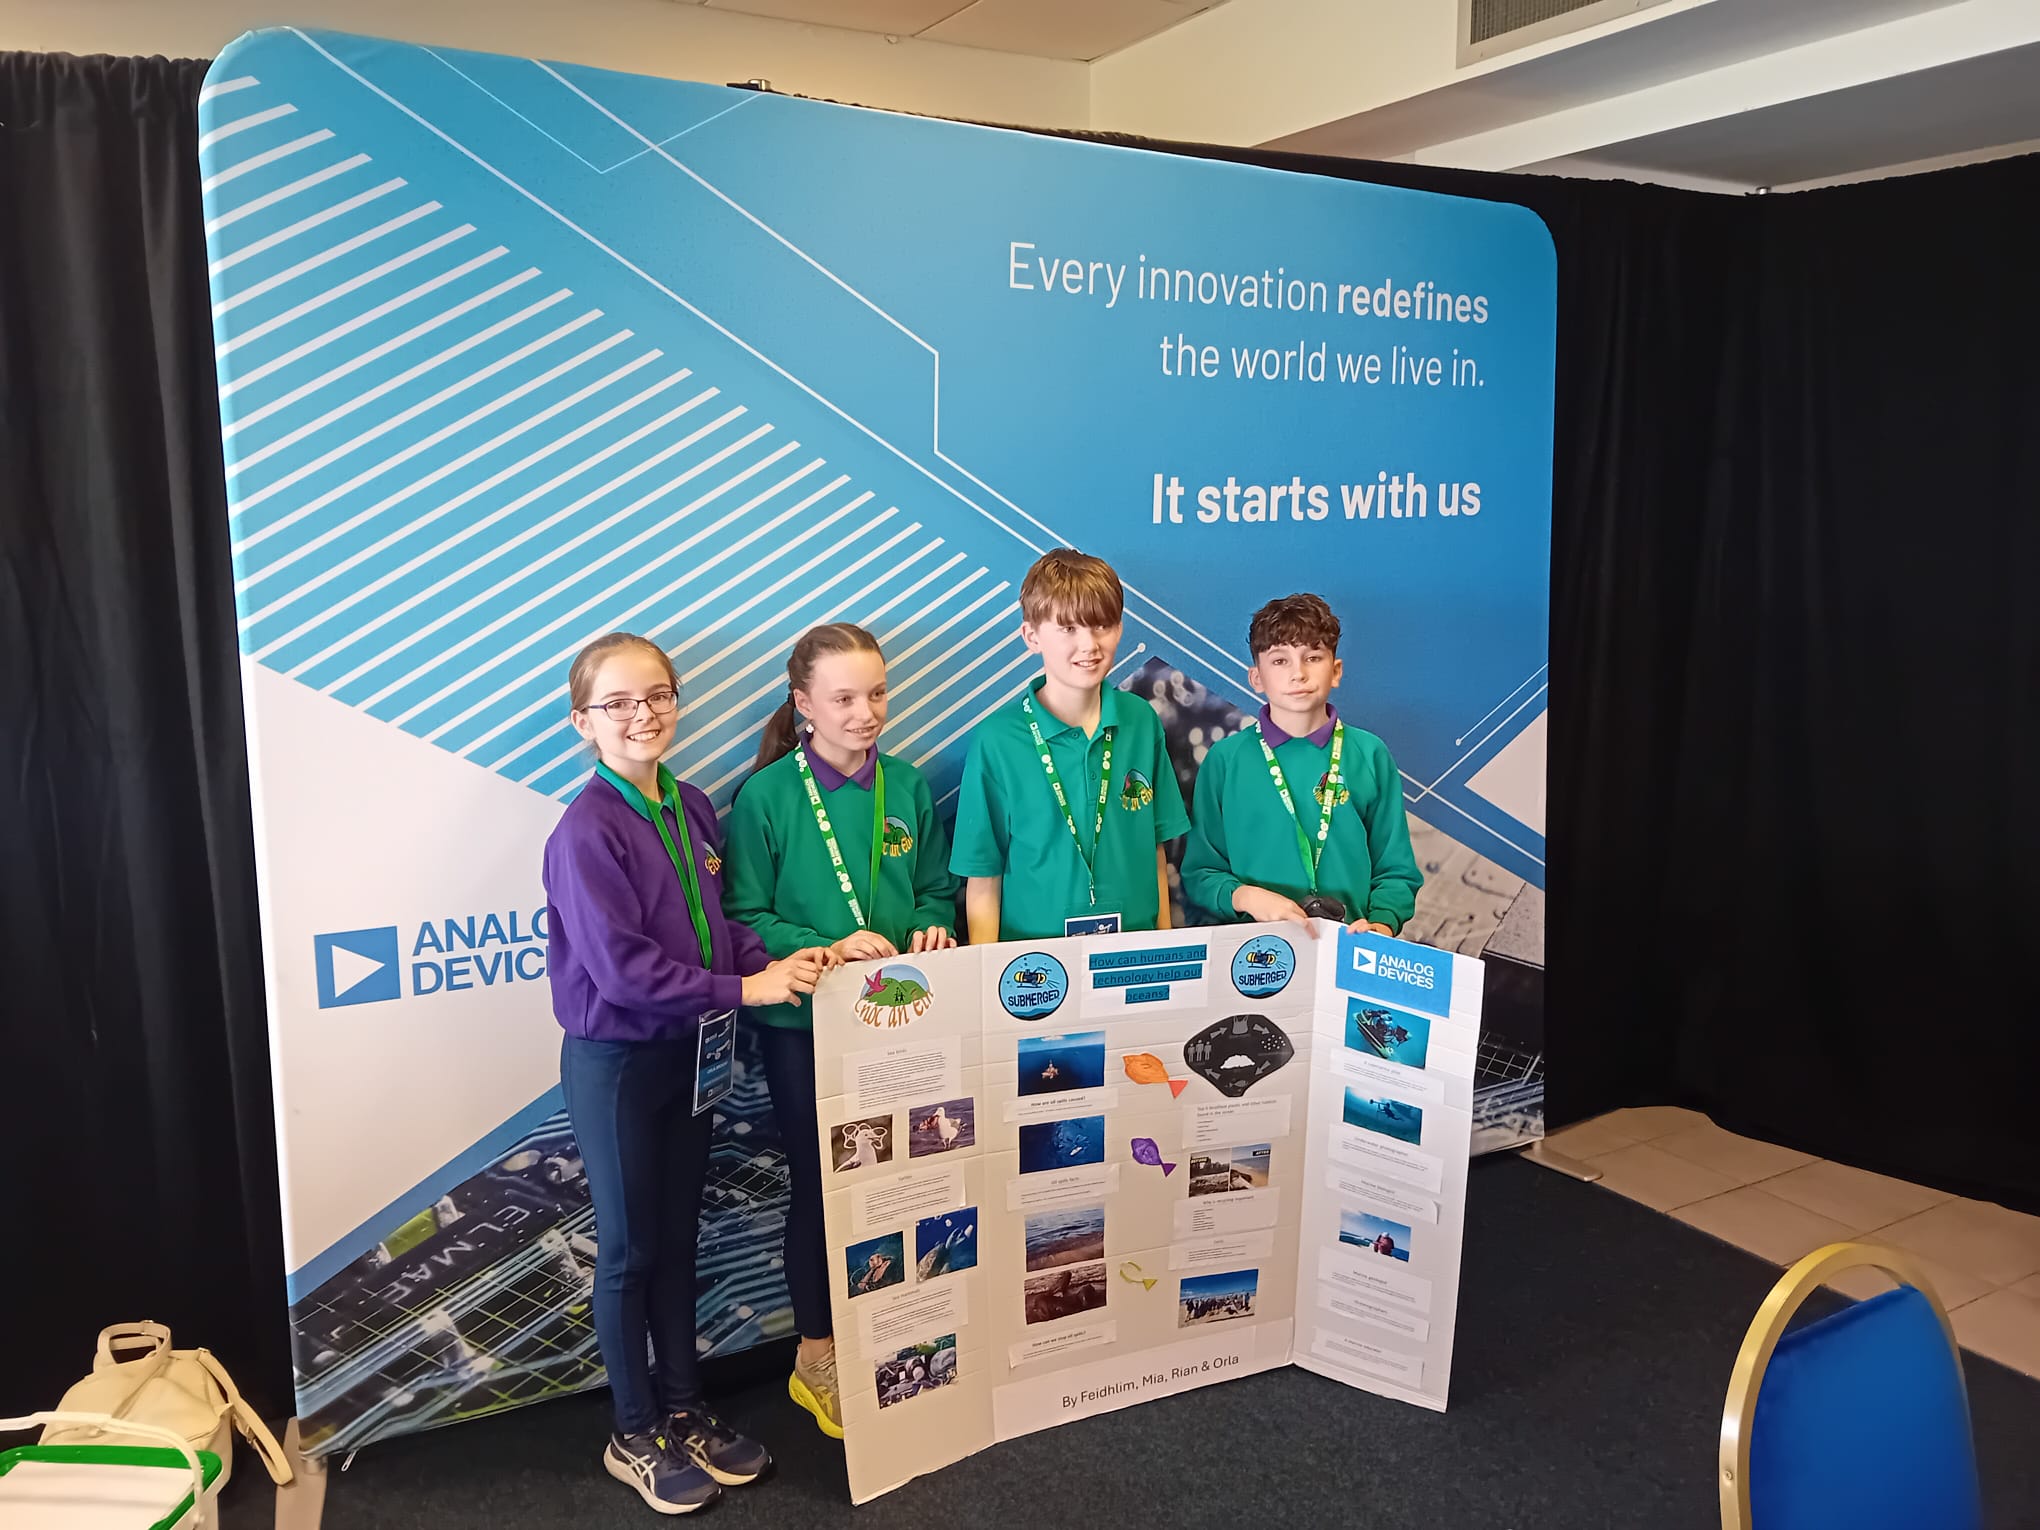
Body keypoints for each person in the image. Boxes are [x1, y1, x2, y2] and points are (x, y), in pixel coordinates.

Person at [543, 631, 828, 1517]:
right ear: (584, 721)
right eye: (618, 703)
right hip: (621, 1064)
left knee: (678, 1240)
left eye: (658, 695)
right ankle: (631, 1430)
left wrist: (778, 959)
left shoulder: (692, 804)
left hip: (691, 1055)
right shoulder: (586, 831)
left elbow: (717, 927)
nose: (643, 715)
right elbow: (624, 973)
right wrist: (748, 988)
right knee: (629, 1250)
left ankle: (682, 1407)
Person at [722, 622, 961, 1440]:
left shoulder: (907, 785)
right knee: (823, 1188)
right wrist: (824, 945)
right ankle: (815, 1356)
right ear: (804, 705)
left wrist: (932, 924)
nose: (866, 713)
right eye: (845, 698)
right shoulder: (766, 798)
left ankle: (897, 1333)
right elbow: (745, 917)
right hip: (806, 1027)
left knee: (906, 1180)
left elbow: (933, 888)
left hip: (900, 1020)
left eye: (877, 694)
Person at [949, 548, 1190, 941]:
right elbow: (984, 877)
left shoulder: (1141, 721)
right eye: (1068, 628)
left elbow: (1154, 848)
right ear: (1032, 636)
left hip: (1134, 952)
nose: (1089, 644)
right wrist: (988, 972)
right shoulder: (998, 739)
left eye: (1101, 625)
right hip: (1033, 965)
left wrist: (1163, 947)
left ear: (1120, 628)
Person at [1182, 592, 1422, 938]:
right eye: (1280, 661)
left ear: (1335, 671)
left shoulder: (1370, 754)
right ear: (1256, 678)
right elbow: (1201, 873)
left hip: (1349, 943)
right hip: (1253, 948)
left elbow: (1395, 868)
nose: (1298, 674)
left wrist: (1382, 923)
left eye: (1313, 657)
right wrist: (1246, 896)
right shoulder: (1225, 759)